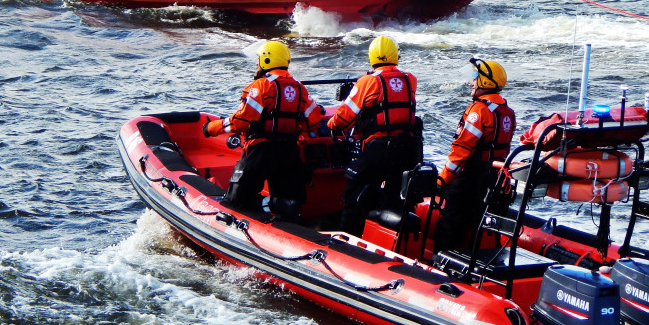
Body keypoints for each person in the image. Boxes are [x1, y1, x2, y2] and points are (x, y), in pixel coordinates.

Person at [203, 40, 325, 220]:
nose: (256, 63)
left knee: (237, 200)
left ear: (267, 61)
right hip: (290, 151)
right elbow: (313, 121)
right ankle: (281, 209)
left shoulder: (261, 85)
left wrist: (212, 128)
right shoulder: (299, 88)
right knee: (291, 200)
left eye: (259, 59)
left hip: (261, 150)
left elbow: (242, 120)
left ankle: (272, 205)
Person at [327, 35, 420, 234]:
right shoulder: (410, 79)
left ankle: (345, 240)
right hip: (406, 150)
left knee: (354, 196)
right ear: (396, 55)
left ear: (372, 57)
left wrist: (331, 125)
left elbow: (343, 116)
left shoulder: (367, 82)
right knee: (393, 196)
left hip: (378, 150)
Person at [434, 58, 515, 255]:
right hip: (494, 180)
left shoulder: (478, 111)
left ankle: (439, 262)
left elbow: (461, 151)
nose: (471, 83)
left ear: (485, 82)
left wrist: (442, 180)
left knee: (449, 223)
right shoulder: (507, 113)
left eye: (474, 78)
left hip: (470, 180)